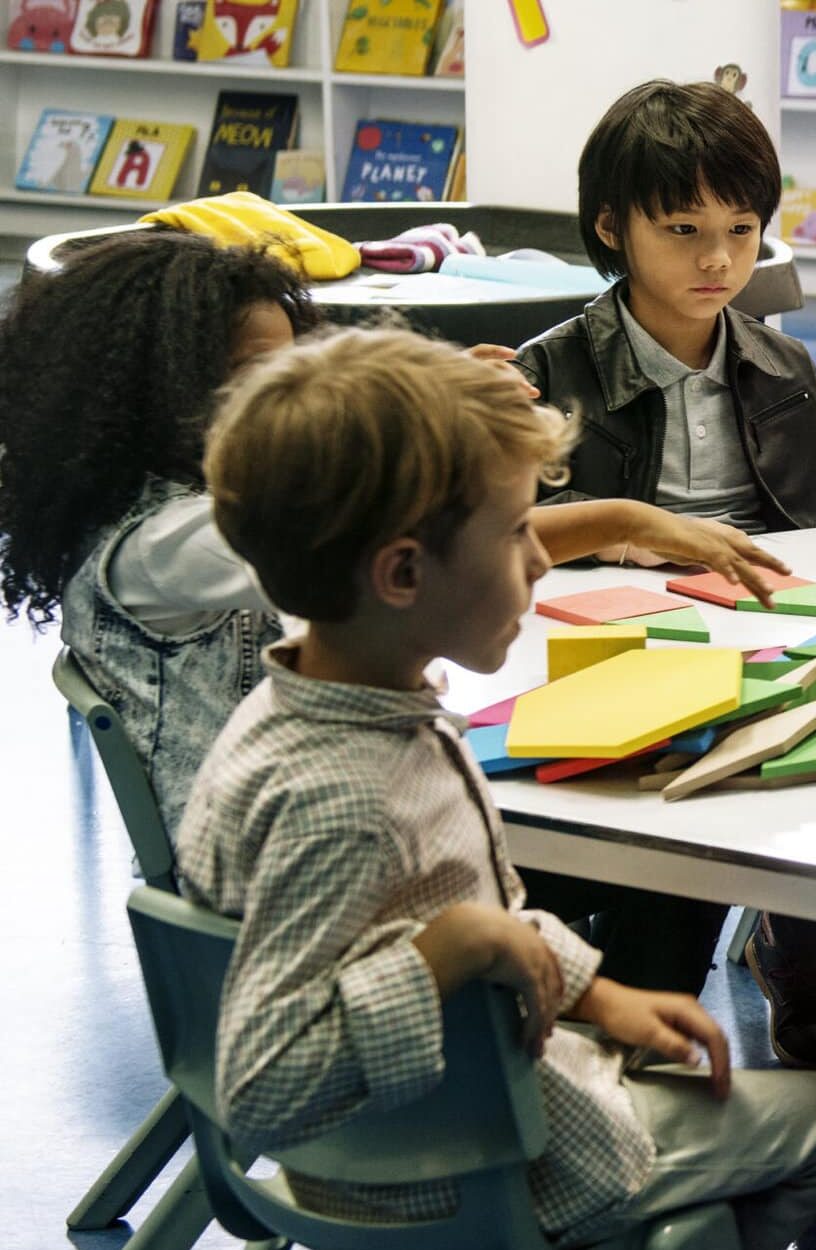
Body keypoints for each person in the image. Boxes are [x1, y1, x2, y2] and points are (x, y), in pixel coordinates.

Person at [182, 328, 816, 1249]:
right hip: (477, 1169)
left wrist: (594, 992)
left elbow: (445, 917)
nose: (542, 562)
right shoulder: (344, 801)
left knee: (707, 1183)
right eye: (513, 535)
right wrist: (456, 950)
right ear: (403, 573)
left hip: (468, 1128)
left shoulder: (308, 717)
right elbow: (262, 1094)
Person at [0, 231, 767, 999]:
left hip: (323, 839)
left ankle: (591, 1039)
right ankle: (610, 1066)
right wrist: (435, 427)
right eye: (256, 380)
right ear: (154, 393)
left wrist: (409, 415)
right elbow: (391, 529)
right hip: (303, 885)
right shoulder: (170, 543)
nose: (292, 401)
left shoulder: (170, 514)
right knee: (679, 856)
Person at [514, 78, 816, 1072]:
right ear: (612, 229)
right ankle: (649, 1000)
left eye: (742, 228)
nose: (718, 259)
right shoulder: (546, 375)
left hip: (754, 629)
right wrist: (632, 541)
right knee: (686, 765)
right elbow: (499, 541)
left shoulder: (784, 367)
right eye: (682, 228)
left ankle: (796, 938)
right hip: (598, 644)